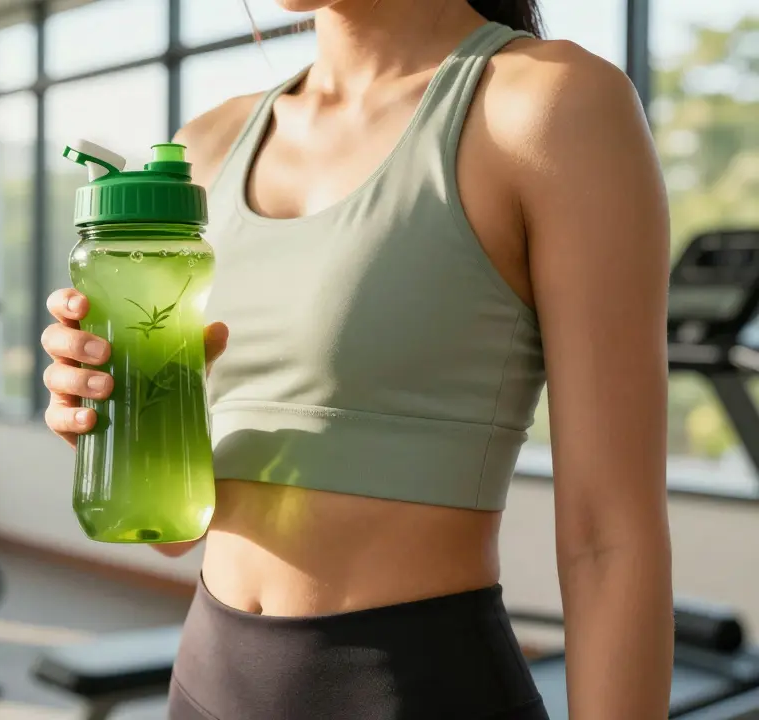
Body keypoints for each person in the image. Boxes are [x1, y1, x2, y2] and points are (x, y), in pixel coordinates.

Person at [40, 0, 674, 717]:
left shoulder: (546, 103)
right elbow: (179, 534)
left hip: (413, 690)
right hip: (207, 685)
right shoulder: (208, 144)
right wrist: (110, 420)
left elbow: (608, 540)